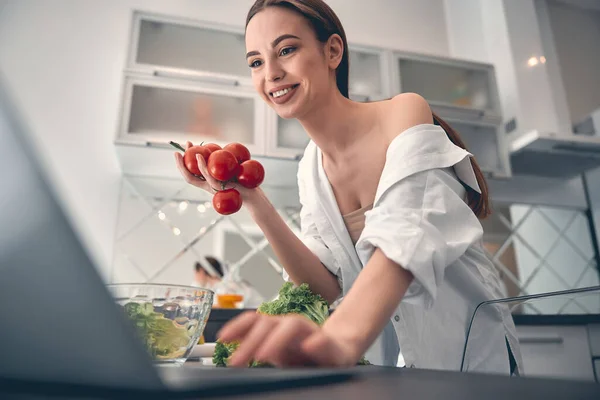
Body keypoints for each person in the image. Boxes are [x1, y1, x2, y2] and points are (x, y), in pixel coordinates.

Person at [175, 0, 522, 374]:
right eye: (256, 62)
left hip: (471, 355)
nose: (271, 73)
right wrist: (253, 200)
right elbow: (324, 286)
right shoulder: (310, 167)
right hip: (395, 371)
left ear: (332, 51)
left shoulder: (402, 113)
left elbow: (405, 230)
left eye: (287, 50)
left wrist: (340, 337)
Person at [192, 256, 265, 309]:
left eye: (196, 273)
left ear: (201, 271)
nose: (195, 277)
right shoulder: (216, 288)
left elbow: (228, 307)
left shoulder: (227, 286)